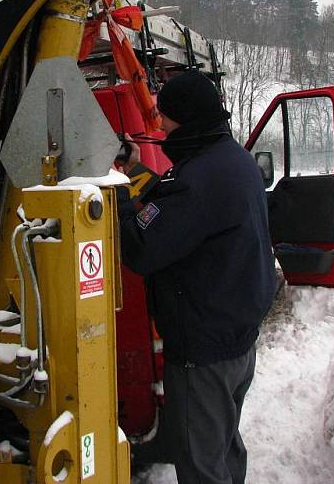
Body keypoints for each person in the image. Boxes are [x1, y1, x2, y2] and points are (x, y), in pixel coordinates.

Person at [117, 71, 277, 484]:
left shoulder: (199, 178)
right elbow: (177, 213)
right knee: (223, 447)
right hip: (236, 344)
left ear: (185, 119)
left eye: (164, 117)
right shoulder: (233, 160)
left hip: (202, 354)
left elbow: (143, 248)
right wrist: (135, 169)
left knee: (201, 464)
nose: (160, 126)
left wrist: (115, 191)